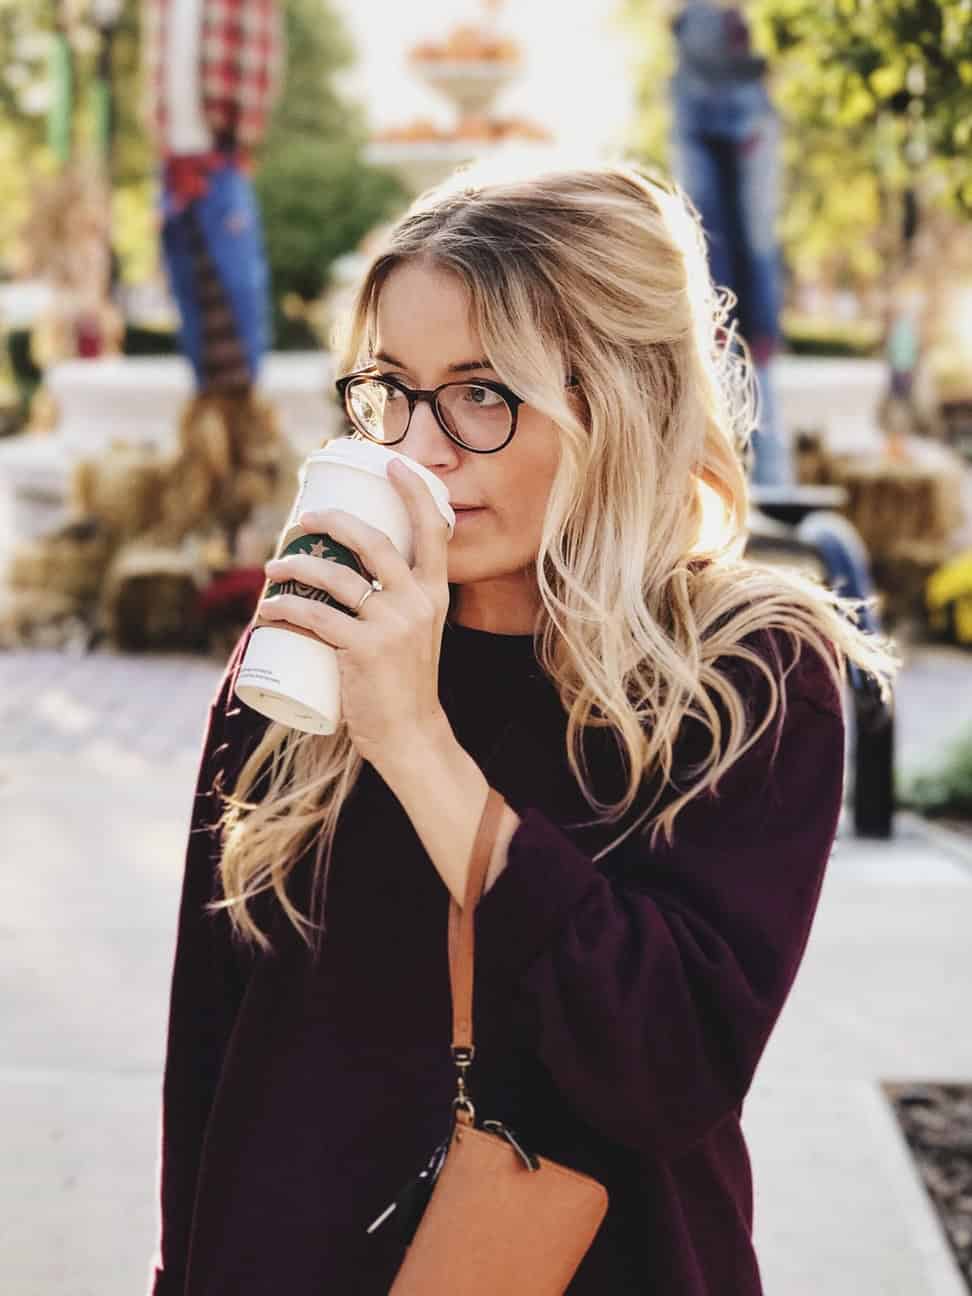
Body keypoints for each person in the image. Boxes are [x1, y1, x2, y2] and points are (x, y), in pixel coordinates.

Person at [148, 157, 898, 1295]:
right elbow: (209, 1044)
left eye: (484, 393)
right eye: (392, 386)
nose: (421, 448)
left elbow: (667, 1067)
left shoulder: (747, 673)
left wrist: (415, 744)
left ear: (622, 399)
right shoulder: (317, 636)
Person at [669, 0, 792, 486]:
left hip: (747, 98)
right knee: (703, 245)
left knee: (756, 247)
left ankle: (769, 470)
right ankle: (725, 465)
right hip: (694, 94)